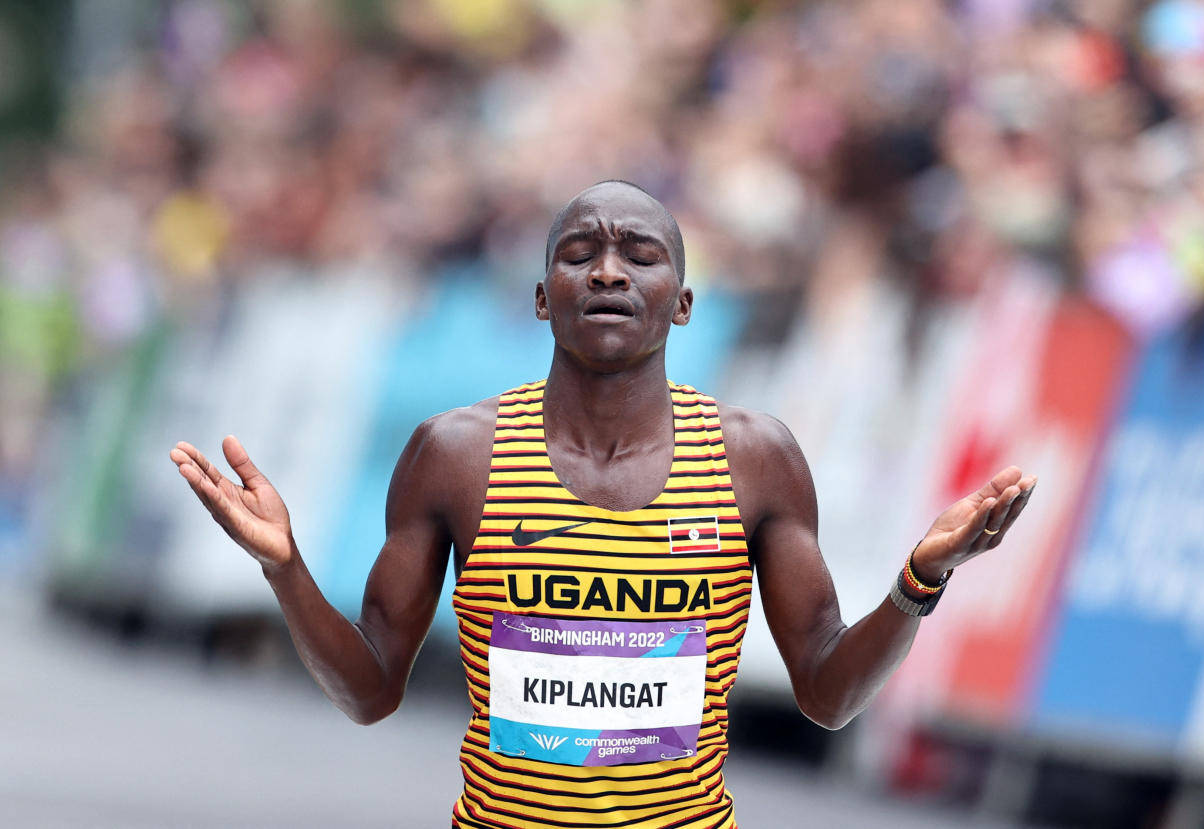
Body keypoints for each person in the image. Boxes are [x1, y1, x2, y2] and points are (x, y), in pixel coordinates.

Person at [170, 180, 1035, 828]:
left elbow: (828, 692)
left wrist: (921, 578)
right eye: (580, 252)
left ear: (683, 303)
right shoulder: (456, 456)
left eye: (642, 254)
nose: (610, 270)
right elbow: (369, 691)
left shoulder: (753, 459)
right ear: (544, 298)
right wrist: (284, 567)